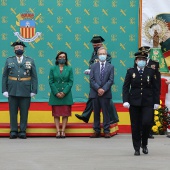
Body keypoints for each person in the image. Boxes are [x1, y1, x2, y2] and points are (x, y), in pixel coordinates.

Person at [122, 51, 160, 156]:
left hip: (148, 101)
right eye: (139, 60)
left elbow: (156, 88)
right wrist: (125, 100)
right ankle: (137, 147)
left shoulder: (151, 71)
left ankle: (144, 144)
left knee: (147, 123)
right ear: (136, 61)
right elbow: (126, 87)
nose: (141, 61)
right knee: (135, 125)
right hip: (134, 102)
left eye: (143, 60)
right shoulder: (130, 71)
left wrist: (156, 101)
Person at [75, 36, 119, 124]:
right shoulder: (94, 53)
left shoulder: (106, 54)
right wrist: (90, 70)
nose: (95, 46)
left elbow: (107, 65)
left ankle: (113, 118)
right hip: (95, 80)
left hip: (104, 79)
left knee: (107, 99)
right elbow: (92, 63)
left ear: (101, 44)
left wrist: (92, 69)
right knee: (92, 97)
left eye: (97, 45)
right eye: (94, 45)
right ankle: (86, 116)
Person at [2, 41, 38, 139]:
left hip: (25, 90)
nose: (18, 49)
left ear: (23, 49)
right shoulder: (9, 60)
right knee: (12, 112)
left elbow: (34, 76)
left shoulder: (30, 60)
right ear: (14, 49)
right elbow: (5, 75)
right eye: (17, 47)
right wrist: (4, 90)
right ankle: (13, 130)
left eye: (20, 47)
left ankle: (22, 130)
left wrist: (34, 90)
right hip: (12, 89)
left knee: (24, 112)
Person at [89, 47, 114, 138]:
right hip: (95, 93)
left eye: (104, 54)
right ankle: (96, 130)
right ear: (98, 55)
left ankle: (106, 130)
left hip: (106, 93)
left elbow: (111, 80)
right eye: (100, 54)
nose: (102, 55)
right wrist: (98, 89)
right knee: (96, 112)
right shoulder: (93, 66)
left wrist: (103, 89)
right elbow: (91, 80)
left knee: (106, 112)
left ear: (106, 55)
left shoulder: (110, 66)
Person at [49, 51, 73, 138]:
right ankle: (57, 131)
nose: (62, 58)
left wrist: (64, 92)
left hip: (66, 95)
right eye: (60, 57)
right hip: (55, 95)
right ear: (57, 59)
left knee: (65, 114)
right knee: (56, 114)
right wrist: (56, 92)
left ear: (66, 59)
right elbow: (51, 82)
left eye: (63, 57)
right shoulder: (52, 68)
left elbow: (70, 82)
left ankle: (63, 131)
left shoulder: (69, 68)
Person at [139, 46, 161, 139]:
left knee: (150, 113)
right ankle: (140, 131)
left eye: (146, 53)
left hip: (151, 92)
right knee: (140, 112)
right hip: (141, 91)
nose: (145, 55)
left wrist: (157, 92)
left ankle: (149, 131)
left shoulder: (154, 63)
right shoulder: (138, 62)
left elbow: (157, 79)